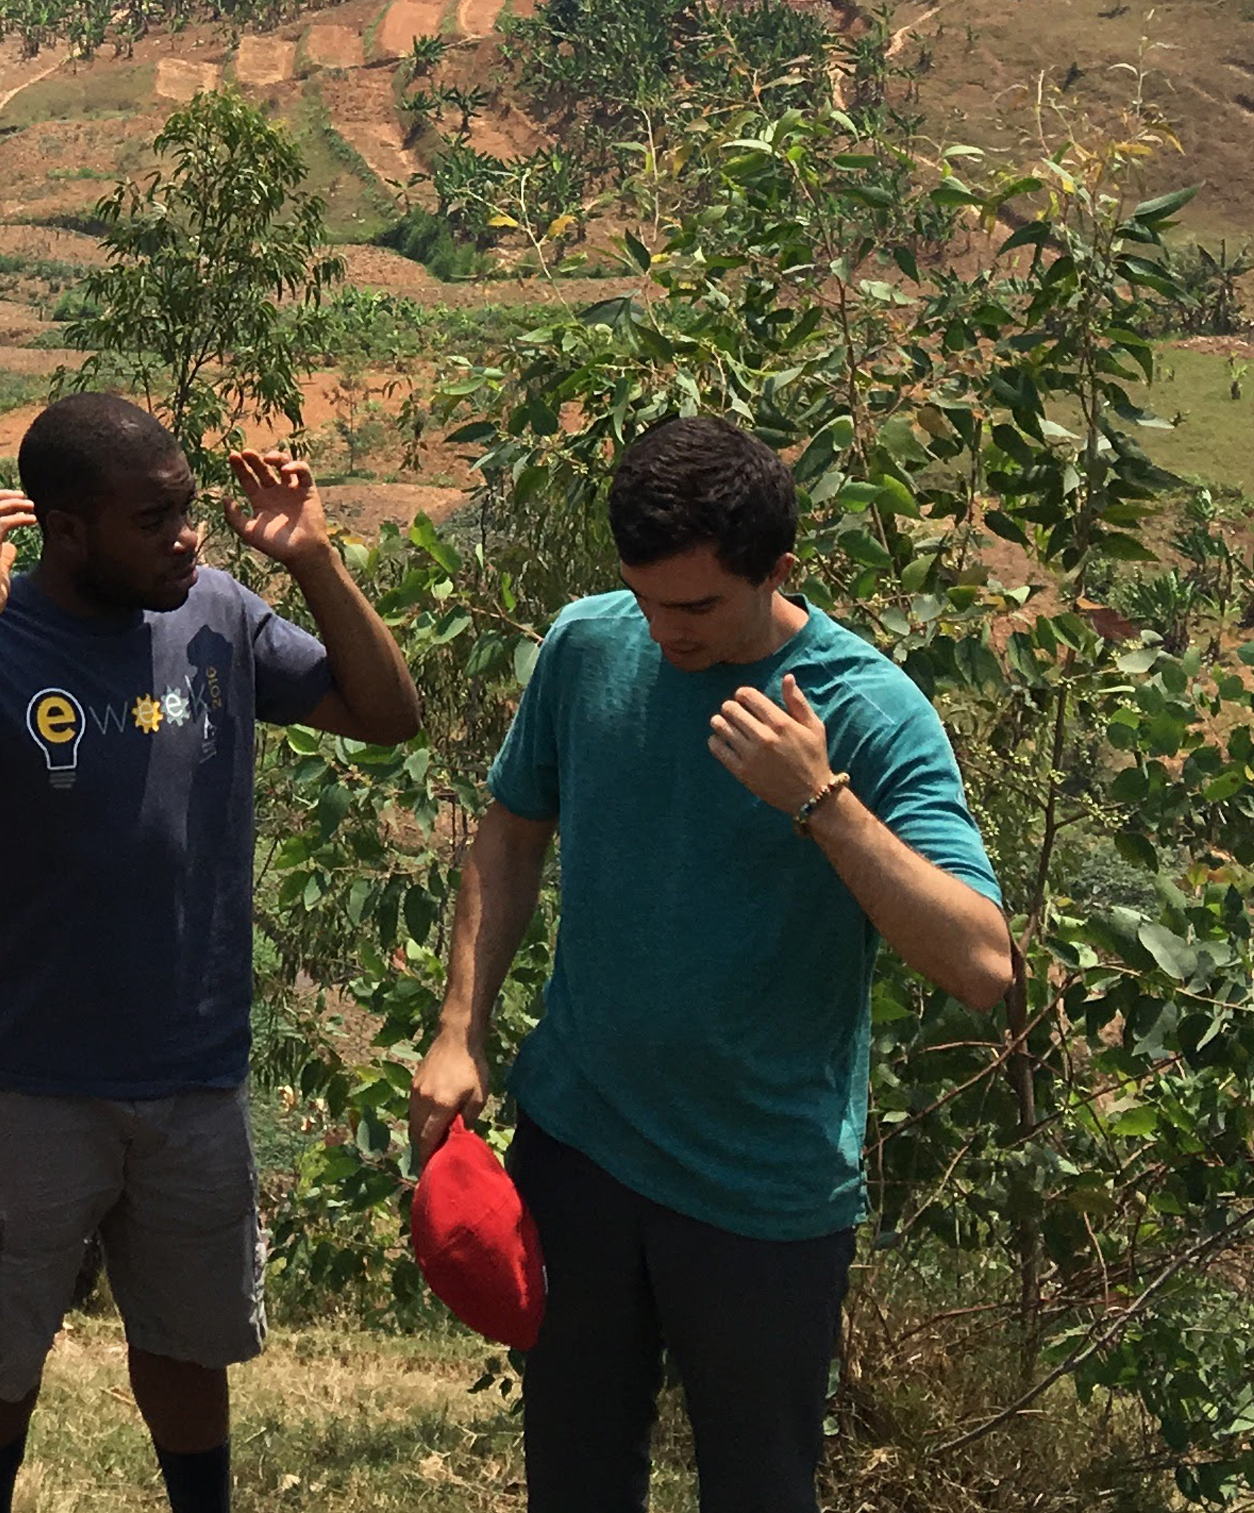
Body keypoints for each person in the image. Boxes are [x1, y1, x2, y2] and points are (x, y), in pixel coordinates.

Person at [413, 414, 1016, 1513]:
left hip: (762, 1190)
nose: (666, 631)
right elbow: (509, 827)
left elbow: (981, 962)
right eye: (646, 598)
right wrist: (460, 1025)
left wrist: (823, 803)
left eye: (695, 605)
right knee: (575, 1484)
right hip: (578, 1148)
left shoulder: (867, 709)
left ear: (778, 569)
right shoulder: (588, 645)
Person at [0, 392, 424, 1513]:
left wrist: (312, 559)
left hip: (190, 1071)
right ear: (66, 531)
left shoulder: (216, 611)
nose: (188, 535)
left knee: (185, 1338)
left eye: (187, 509)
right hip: (24, 1080)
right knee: (0, 1339)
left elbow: (386, 711)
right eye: (152, 517)